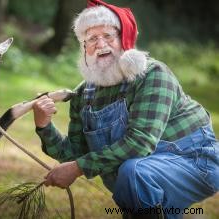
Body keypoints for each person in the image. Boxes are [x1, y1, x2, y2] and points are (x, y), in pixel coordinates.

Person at [32, 0, 219, 218]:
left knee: (133, 171)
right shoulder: (84, 95)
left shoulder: (152, 75)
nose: (101, 44)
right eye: (92, 38)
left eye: (109, 36)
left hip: (195, 161)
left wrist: (77, 168)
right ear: (85, 47)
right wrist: (44, 125)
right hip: (143, 173)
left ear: (124, 39)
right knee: (136, 177)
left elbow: (140, 143)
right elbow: (75, 155)